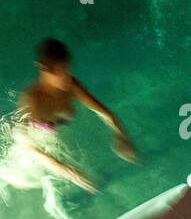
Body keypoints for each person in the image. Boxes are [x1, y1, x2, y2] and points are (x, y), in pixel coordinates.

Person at [17, 39, 137, 193]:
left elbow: (105, 113)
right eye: (61, 73)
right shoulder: (32, 98)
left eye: (68, 70)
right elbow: (27, 145)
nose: (67, 78)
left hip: (59, 133)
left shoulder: (71, 86)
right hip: (36, 148)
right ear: (44, 71)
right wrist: (67, 172)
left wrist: (121, 136)